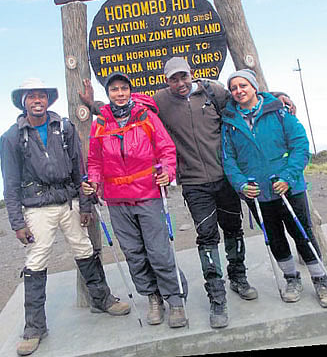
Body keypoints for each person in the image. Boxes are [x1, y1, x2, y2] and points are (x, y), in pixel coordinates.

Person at [80, 58, 294, 328]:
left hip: (222, 177)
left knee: (231, 230)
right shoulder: (158, 102)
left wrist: (277, 96)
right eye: (173, 79)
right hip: (191, 182)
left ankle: (236, 277)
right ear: (166, 81)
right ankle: (214, 296)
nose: (180, 83)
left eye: (183, 77)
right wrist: (92, 106)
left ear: (191, 75)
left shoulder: (212, 92)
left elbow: (244, 95)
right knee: (204, 237)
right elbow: (118, 113)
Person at [0, 78, 130, 356]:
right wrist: (17, 223)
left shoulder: (64, 127)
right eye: (31, 96)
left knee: (84, 249)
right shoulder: (11, 137)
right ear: (23, 102)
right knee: (36, 261)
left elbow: (78, 168)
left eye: (42, 96)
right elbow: (9, 183)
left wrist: (84, 205)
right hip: (36, 207)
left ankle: (102, 300)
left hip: (68, 200)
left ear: (49, 100)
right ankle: (34, 327)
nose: (37, 100)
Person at [221, 69, 327, 308]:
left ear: (254, 87)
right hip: (257, 192)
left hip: (289, 188)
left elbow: (299, 146)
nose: (239, 91)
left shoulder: (279, 112)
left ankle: (320, 280)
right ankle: (291, 278)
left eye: (243, 85)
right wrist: (241, 184)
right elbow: (228, 159)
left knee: (302, 234)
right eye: (234, 88)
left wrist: (288, 176)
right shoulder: (229, 122)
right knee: (274, 238)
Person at [81, 72, 188, 328]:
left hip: (148, 194)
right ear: (108, 94)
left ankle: (175, 300)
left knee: (159, 251)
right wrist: (93, 181)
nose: (120, 93)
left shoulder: (146, 116)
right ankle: (153, 297)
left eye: (123, 89)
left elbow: (166, 149)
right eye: (115, 89)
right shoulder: (100, 124)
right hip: (117, 201)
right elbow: (95, 160)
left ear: (130, 91)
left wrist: (167, 170)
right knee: (134, 254)